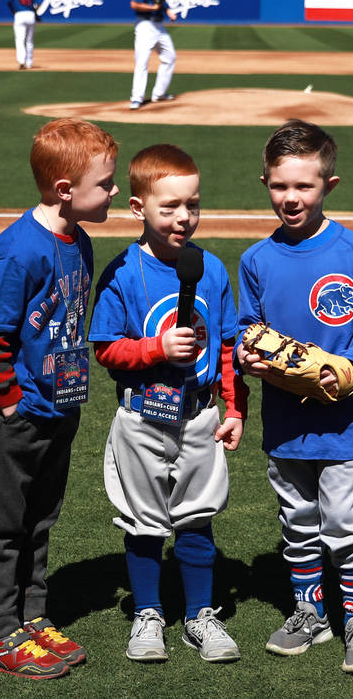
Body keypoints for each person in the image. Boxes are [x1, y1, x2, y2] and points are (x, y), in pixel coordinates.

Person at [236, 119, 353, 675]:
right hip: (285, 422)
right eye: (280, 186)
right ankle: (309, 611)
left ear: (330, 184)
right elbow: (247, 329)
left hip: (347, 420)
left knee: (345, 524)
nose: (291, 197)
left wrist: (351, 366)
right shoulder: (256, 259)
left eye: (304, 186)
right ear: (265, 183)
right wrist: (247, 356)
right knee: (298, 521)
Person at [0, 117, 120, 680]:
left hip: (62, 405)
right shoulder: (17, 252)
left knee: (40, 518)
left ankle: (31, 618)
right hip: (21, 413)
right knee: (5, 525)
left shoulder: (78, 240)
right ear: (65, 190)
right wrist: (8, 403)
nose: (115, 191)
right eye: (105, 184)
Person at [88, 143, 247, 664]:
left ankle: (201, 615)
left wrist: (234, 407)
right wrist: (157, 348)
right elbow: (106, 348)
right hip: (141, 419)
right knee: (143, 522)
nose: (184, 217)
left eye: (192, 205)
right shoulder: (123, 272)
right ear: (139, 209)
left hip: (199, 416)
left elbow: (226, 346)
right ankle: (149, 613)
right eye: (169, 207)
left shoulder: (212, 269)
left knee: (198, 519)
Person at [128, 0, 178, 110]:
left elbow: (161, 1)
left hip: (159, 26)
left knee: (170, 57)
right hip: (145, 26)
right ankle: (136, 98)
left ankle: (159, 94)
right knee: (142, 62)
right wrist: (152, 8)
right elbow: (134, 4)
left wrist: (167, 10)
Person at [6, 0, 41, 70]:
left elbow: (8, 0)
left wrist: (13, 10)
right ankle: (29, 63)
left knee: (19, 40)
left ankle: (21, 62)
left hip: (19, 15)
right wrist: (35, 12)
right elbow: (38, 4)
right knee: (29, 40)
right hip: (30, 15)